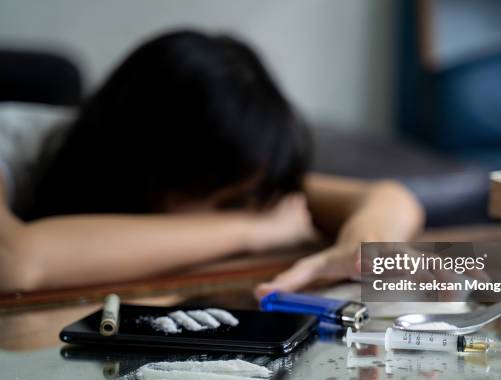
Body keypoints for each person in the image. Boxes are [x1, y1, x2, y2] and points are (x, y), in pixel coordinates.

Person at [0, 30, 424, 296]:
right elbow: (15, 262)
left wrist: (363, 246)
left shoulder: (235, 173)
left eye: (244, 204)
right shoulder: (12, 141)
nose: (247, 207)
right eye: (229, 202)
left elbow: (388, 197)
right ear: (152, 168)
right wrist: (253, 230)